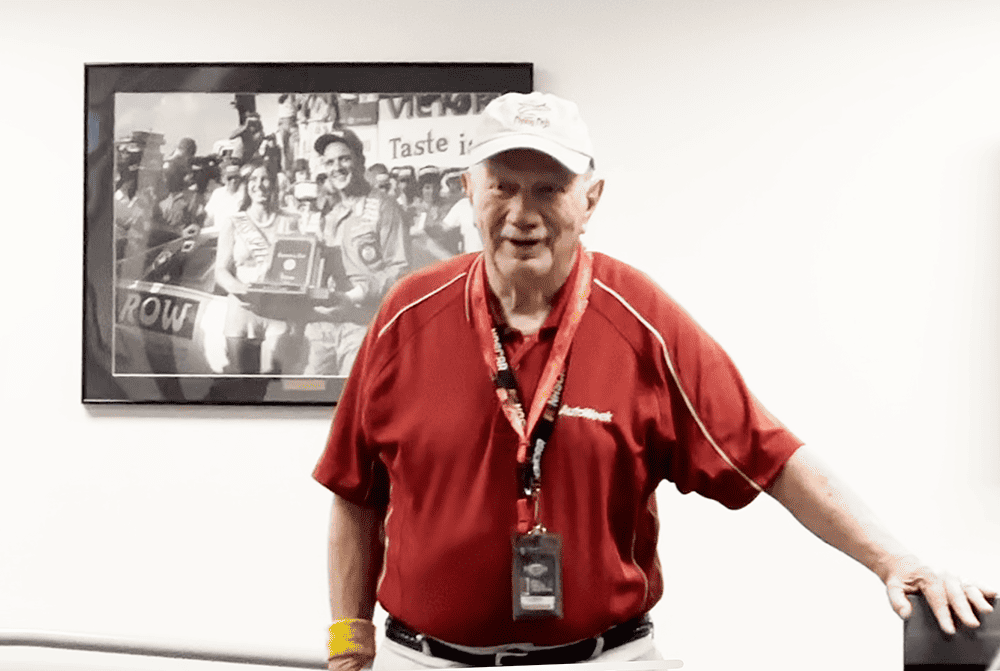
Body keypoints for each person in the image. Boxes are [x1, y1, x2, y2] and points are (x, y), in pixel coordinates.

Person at [313, 92, 996, 670]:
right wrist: (349, 638)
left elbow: (773, 456)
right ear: (469, 190)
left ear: (591, 200)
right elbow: (353, 488)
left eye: (549, 188)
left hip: (603, 660)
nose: (523, 212)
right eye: (503, 185)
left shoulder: (642, 320)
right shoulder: (407, 313)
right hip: (424, 660)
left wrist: (892, 559)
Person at [302, 130, 409, 376]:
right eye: (329, 162)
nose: (336, 168)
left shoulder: (384, 206)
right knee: (306, 393)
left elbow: (400, 270)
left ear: (360, 161)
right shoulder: (325, 213)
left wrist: (355, 295)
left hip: (363, 324)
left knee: (350, 401)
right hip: (323, 325)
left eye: (344, 159)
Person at [214, 159, 302, 375]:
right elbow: (220, 271)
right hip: (242, 311)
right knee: (241, 388)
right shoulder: (233, 222)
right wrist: (240, 289)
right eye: (253, 179)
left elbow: (300, 267)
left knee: (274, 386)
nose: (259, 184)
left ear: (273, 183)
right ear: (246, 185)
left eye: (265, 179)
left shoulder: (290, 222)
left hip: (278, 311)